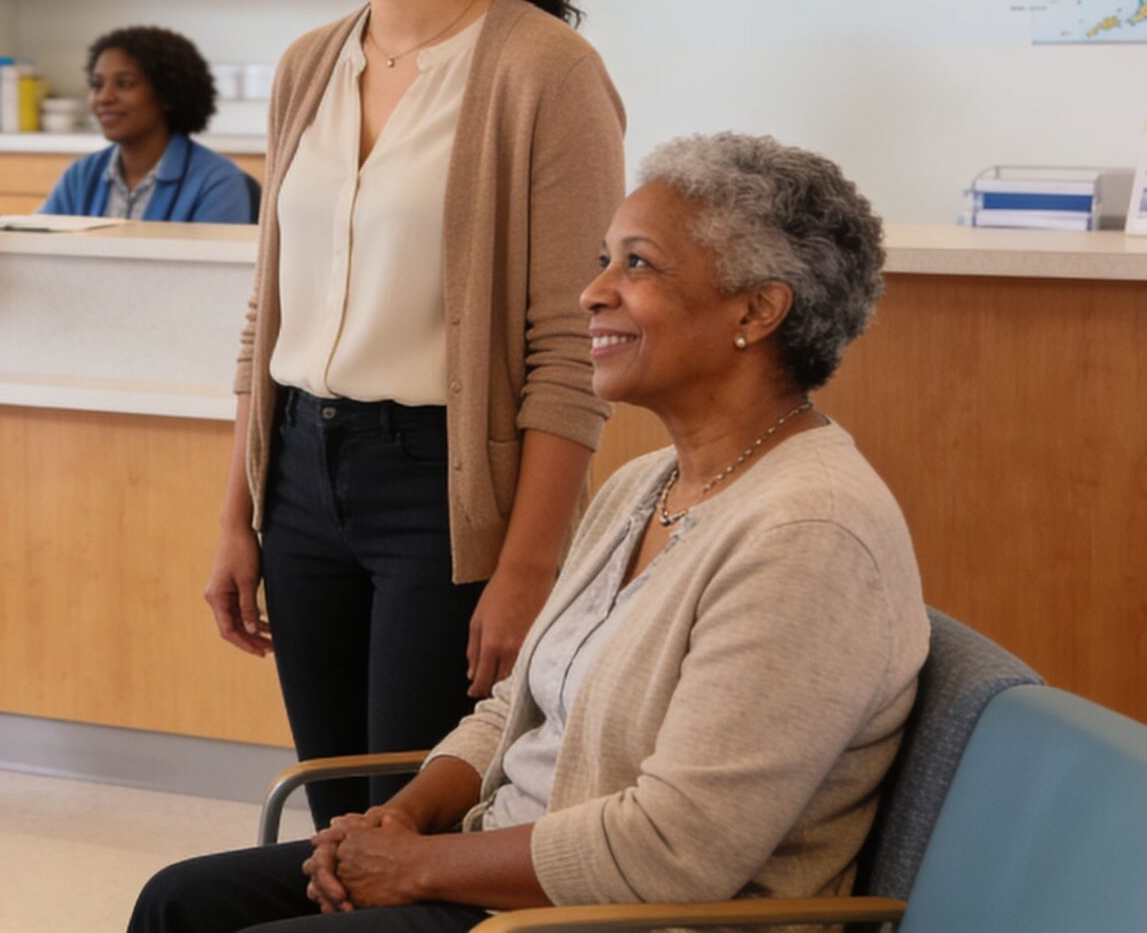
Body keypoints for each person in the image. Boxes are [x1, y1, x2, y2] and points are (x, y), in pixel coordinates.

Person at [138, 134, 927, 931]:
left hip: (617, 917)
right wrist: (401, 821)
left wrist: (416, 868)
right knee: (181, 901)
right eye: (604, 260)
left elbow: (674, 851)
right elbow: (515, 708)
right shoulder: (642, 485)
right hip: (506, 869)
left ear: (757, 310)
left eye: (638, 264)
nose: (592, 292)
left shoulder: (809, 534)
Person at [205, 0, 627, 828]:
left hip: (439, 492)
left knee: (413, 822)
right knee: (332, 809)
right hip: (298, 473)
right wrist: (237, 516)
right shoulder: (308, 64)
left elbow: (569, 350)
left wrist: (527, 568)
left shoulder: (543, 72)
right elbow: (271, 313)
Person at [39, 25, 254, 223]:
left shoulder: (217, 182)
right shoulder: (81, 176)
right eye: (97, 85)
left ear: (166, 95)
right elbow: (37, 248)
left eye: (124, 83)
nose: (104, 97)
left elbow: (212, 264)